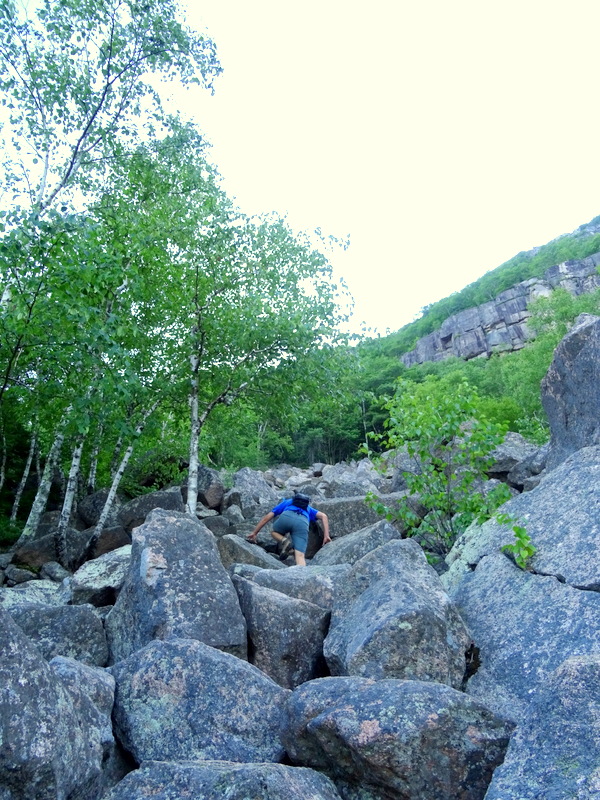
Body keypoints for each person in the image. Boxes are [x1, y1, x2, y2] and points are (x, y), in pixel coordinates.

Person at [247, 492, 331, 566]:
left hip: (286, 517)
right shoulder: (308, 508)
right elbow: (324, 516)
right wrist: (326, 536)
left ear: (294, 499)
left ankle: (285, 541)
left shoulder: (288, 502)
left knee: (273, 532)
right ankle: (302, 577)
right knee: (300, 555)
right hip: (302, 522)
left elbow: (267, 517)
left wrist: (255, 532)